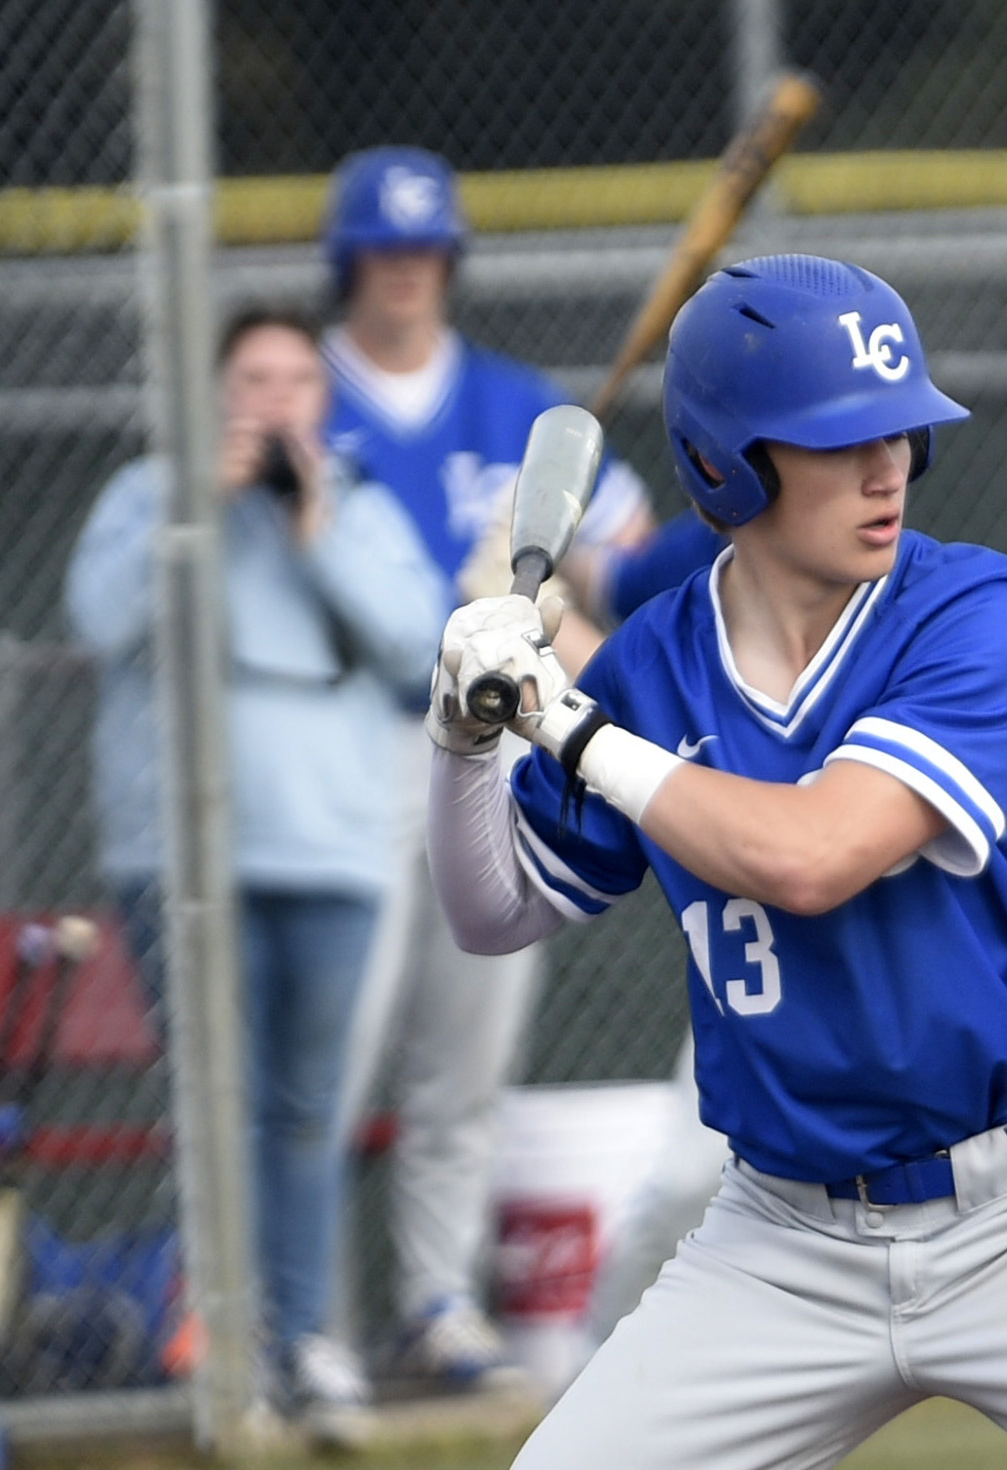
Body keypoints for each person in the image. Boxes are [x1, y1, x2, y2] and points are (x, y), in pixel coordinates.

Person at [425, 254, 1007, 1468]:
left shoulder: (983, 614)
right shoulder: (657, 665)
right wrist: (462, 741)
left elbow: (814, 856)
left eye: (901, 432)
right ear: (732, 462)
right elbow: (490, 910)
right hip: (783, 1239)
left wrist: (564, 727)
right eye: (840, 441)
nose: (889, 468)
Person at [318, 145, 719, 1388]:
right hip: (349, 746)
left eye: (425, 253)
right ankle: (304, 1322)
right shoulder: (302, 399)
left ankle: (437, 1301)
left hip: (497, 747)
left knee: (466, 1051)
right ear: (347, 265)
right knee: (332, 1059)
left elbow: (629, 560)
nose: (405, 277)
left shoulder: (520, 410)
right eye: (383, 255)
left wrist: (538, 601)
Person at [65, 303, 447, 1443]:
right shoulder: (150, 498)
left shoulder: (364, 508)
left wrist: (312, 527)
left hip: (329, 853)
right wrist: (199, 513)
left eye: (294, 380)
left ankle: (308, 1345)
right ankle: (225, 1350)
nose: (272, 400)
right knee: (215, 1107)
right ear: (215, 392)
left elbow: (413, 643)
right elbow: (99, 621)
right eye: (252, 378)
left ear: (320, 401)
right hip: (185, 865)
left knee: (305, 1114)